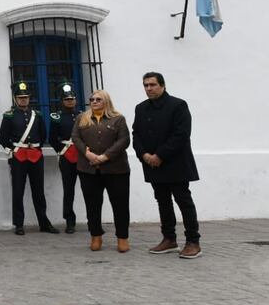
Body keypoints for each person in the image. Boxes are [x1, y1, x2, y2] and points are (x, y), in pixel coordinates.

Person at [133, 72, 202, 259]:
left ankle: (193, 241)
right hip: (152, 164)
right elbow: (136, 134)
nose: (149, 88)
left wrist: (160, 155)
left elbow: (181, 134)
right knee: (162, 201)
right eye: (146, 85)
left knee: (183, 201)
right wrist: (144, 154)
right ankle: (169, 239)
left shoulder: (178, 105)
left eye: (152, 85)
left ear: (162, 86)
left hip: (175, 163)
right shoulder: (141, 108)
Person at [71, 90, 131, 252]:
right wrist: (87, 153)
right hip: (88, 169)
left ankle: (122, 238)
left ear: (106, 101)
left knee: (120, 205)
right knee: (92, 205)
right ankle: (96, 236)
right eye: (92, 99)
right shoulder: (82, 118)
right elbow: (75, 137)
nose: (94, 102)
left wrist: (105, 156)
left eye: (98, 99)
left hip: (116, 170)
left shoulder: (118, 119)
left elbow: (124, 140)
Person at [0, 81, 59, 235]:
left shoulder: (36, 115)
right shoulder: (9, 116)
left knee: (39, 191)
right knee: (18, 191)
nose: (23, 100)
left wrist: (35, 148)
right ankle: (19, 224)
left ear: (29, 98)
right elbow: (2, 138)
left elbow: (43, 135)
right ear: (15, 99)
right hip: (18, 157)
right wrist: (13, 151)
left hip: (35, 156)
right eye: (20, 97)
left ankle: (43, 222)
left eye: (25, 97)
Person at [49, 82, 82, 234]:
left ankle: (93, 220)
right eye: (67, 99)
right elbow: (52, 138)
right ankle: (70, 221)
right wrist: (61, 151)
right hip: (66, 156)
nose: (70, 101)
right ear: (62, 101)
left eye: (72, 99)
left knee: (89, 189)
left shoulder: (82, 116)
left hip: (82, 156)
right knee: (68, 190)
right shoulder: (57, 117)